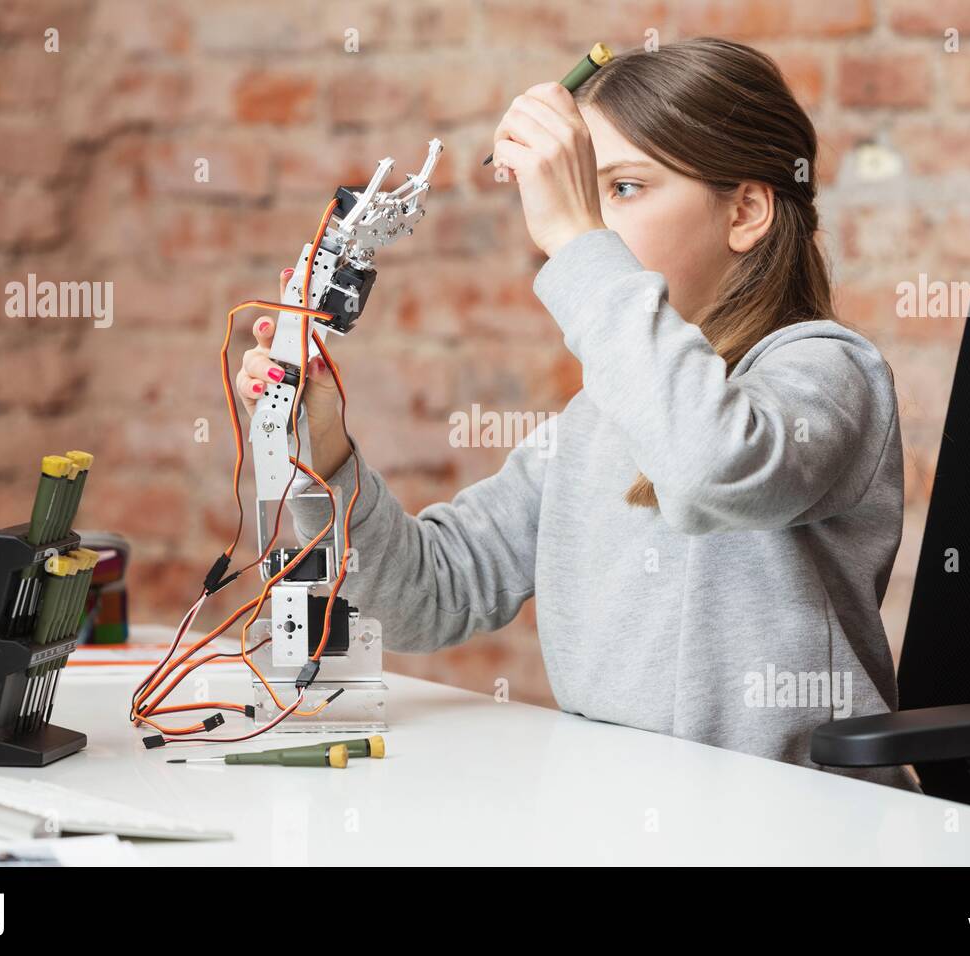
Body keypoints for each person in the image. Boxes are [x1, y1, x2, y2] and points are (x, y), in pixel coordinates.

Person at [238, 37, 918, 792]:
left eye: (622, 189)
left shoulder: (829, 371)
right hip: (623, 808)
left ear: (747, 210)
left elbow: (709, 469)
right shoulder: (595, 420)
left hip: (793, 823)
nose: (589, 222)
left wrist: (575, 237)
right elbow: (427, 597)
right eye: (589, 198)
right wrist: (326, 448)